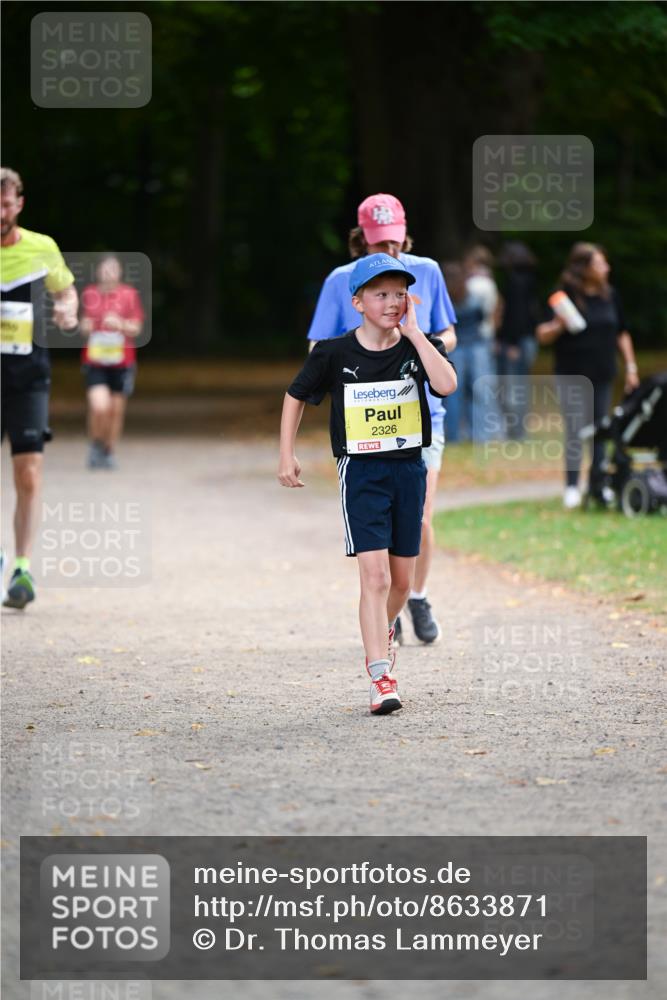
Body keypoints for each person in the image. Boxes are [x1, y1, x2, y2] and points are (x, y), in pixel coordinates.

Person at [280, 253, 457, 714]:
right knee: (375, 577)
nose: (393, 302)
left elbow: (448, 384)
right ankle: (381, 677)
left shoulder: (417, 346)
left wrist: (418, 334)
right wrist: (286, 453)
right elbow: (296, 395)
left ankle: (384, 630)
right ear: (357, 302)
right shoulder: (334, 353)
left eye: (400, 293)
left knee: (401, 581)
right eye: (381, 294)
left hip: (408, 470)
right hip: (361, 473)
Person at [307, 193, 457, 647]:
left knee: (421, 518)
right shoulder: (341, 280)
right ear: (362, 238)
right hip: (368, 421)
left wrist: (427, 350)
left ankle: (418, 595)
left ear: (404, 235)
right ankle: (385, 612)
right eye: (377, 243)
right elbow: (317, 346)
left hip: (422, 414)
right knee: (379, 525)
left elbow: (449, 329)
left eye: (392, 242)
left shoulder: (425, 271)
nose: (386, 251)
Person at [1, 167, 78, 608]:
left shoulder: (41, 246)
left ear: (19, 204)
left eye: (6, 205)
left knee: (27, 473)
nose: (0, 213)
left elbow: (66, 292)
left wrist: (67, 312)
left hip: (28, 375)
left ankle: (22, 569)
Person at [536, 242, 640, 508]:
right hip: (571, 373)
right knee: (574, 428)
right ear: (584, 268)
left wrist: (630, 366)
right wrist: (558, 325)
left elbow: (622, 332)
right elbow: (542, 335)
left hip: (603, 371)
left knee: (600, 429)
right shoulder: (563, 295)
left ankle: (598, 483)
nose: (606, 267)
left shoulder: (610, 295)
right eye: (599, 263)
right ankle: (571, 486)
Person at [80, 254, 144, 469]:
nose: (108, 273)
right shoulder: (89, 293)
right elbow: (83, 324)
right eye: (105, 269)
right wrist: (85, 327)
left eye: (113, 269)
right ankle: (95, 444)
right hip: (96, 360)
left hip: (122, 361)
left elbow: (136, 328)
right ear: (98, 272)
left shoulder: (129, 294)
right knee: (99, 406)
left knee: (115, 410)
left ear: (120, 273)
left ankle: (108, 450)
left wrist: (121, 324)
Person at [446, 245, 500, 443]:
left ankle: (453, 435)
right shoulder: (473, 295)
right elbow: (483, 315)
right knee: (480, 391)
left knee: (453, 393)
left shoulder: (446, 300)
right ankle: (481, 435)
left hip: (455, 348)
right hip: (477, 346)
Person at [495, 241, 540, 440]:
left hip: (517, 341)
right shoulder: (531, 279)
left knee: (511, 388)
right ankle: (519, 431)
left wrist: (511, 342)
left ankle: (516, 433)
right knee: (520, 387)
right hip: (529, 339)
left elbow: (515, 315)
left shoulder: (515, 281)